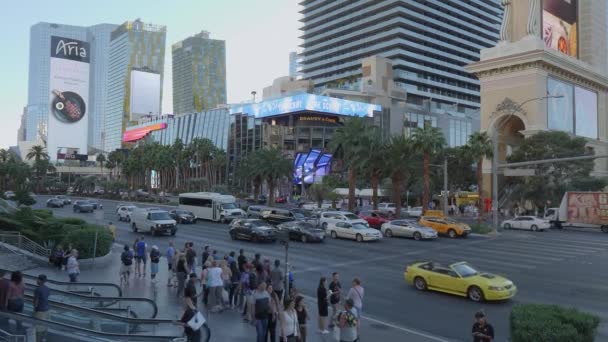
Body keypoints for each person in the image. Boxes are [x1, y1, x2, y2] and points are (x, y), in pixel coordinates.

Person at [33, 274, 50, 342]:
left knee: (38, 329)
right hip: (47, 310)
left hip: (40, 311)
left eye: (38, 279)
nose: (37, 280)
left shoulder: (37, 289)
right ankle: (43, 339)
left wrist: (34, 309)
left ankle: (38, 340)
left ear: (41, 280)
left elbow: (36, 301)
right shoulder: (47, 288)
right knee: (45, 327)